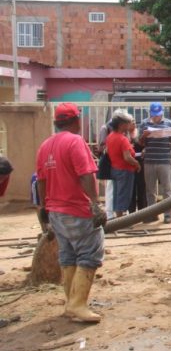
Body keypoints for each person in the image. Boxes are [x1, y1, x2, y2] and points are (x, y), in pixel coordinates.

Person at [35, 102, 107, 323]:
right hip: (77, 209)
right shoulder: (75, 141)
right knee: (89, 254)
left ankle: (71, 302)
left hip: (56, 211)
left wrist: (44, 210)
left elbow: (41, 181)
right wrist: (95, 205)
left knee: (68, 256)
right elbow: (85, 175)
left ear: (57, 123)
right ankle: (77, 305)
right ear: (76, 120)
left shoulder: (45, 145)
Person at [139, 102, 171, 224]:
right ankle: (152, 214)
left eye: (158, 115)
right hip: (149, 161)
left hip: (164, 160)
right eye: (154, 115)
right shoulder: (144, 123)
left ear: (162, 113)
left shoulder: (168, 123)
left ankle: (168, 215)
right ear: (150, 113)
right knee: (150, 190)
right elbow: (140, 143)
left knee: (167, 190)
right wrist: (144, 136)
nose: (156, 118)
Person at [106, 110, 141, 218]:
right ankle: (121, 219)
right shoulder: (122, 139)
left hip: (115, 169)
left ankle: (118, 217)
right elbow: (127, 157)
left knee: (117, 194)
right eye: (127, 123)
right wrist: (137, 164)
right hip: (124, 171)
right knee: (123, 195)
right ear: (121, 125)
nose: (129, 125)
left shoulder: (111, 136)